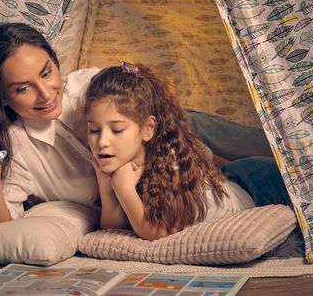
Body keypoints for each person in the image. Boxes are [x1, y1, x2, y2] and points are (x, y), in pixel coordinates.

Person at [0, 22, 100, 225]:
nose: (45, 94)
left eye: (46, 73)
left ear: (54, 61)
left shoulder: (89, 86)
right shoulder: (17, 146)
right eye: (23, 89)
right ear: (1, 97)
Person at [84, 62, 255, 241]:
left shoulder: (170, 162)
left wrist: (124, 189)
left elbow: (161, 233)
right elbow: (112, 229)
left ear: (148, 128)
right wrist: (107, 186)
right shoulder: (115, 160)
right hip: (226, 175)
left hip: (251, 190)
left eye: (117, 130)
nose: (102, 142)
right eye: (94, 130)